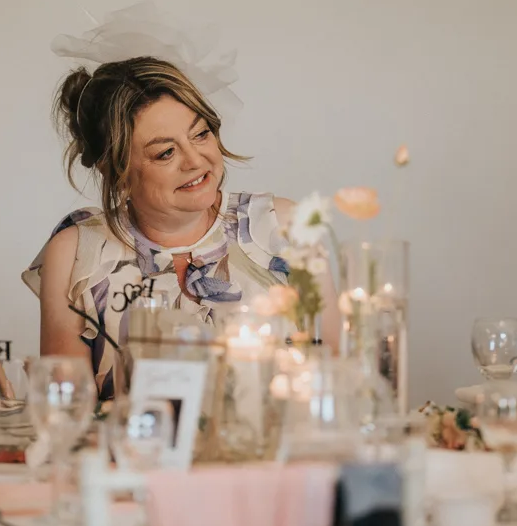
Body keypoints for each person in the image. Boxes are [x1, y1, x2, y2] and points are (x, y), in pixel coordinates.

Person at [23, 56, 340, 398]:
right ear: (118, 173)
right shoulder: (75, 254)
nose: (195, 161)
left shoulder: (284, 225)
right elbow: (68, 413)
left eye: (200, 134)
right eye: (165, 153)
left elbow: (335, 374)